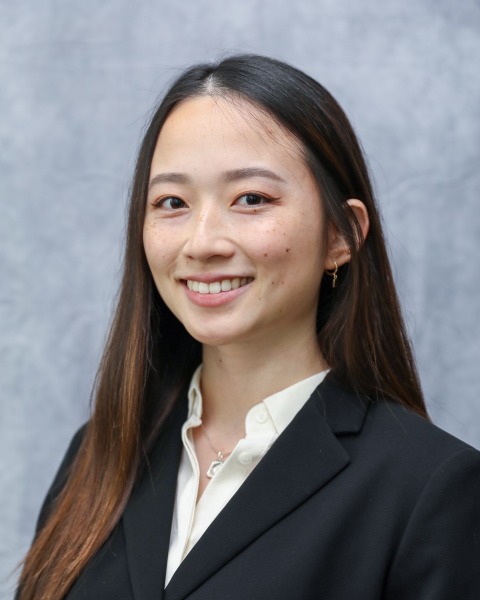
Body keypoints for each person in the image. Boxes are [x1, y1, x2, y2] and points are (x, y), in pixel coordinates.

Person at [16, 54, 480, 600]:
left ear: (342, 235)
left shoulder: (429, 487)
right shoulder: (102, 451)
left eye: (251, 199)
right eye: (172, 202)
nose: (202, 242)